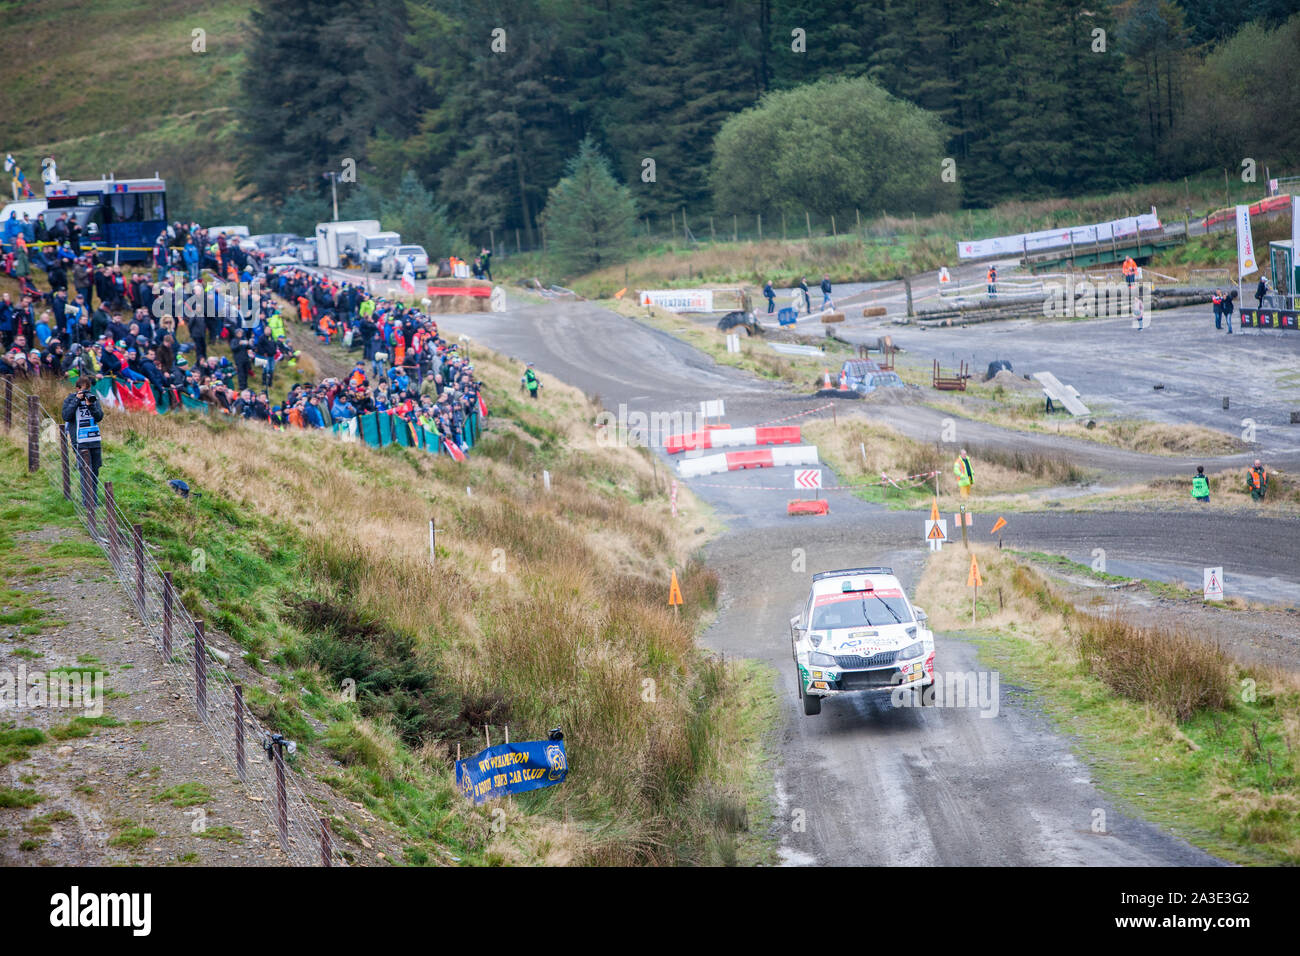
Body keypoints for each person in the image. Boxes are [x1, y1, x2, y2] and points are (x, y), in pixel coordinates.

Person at [62, 376, 105, 512]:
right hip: (80, 441)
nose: (86, 392)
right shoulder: (70, 399)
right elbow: (66, 416)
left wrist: (90, 405)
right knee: (85, 470)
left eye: (88, 389)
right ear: (77, 389)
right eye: (84, 390)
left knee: (95, 470)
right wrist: (77, 400)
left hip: (94, 439)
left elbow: (99, 416)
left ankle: (94, 499)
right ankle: (87, 501)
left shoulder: (92, 398)